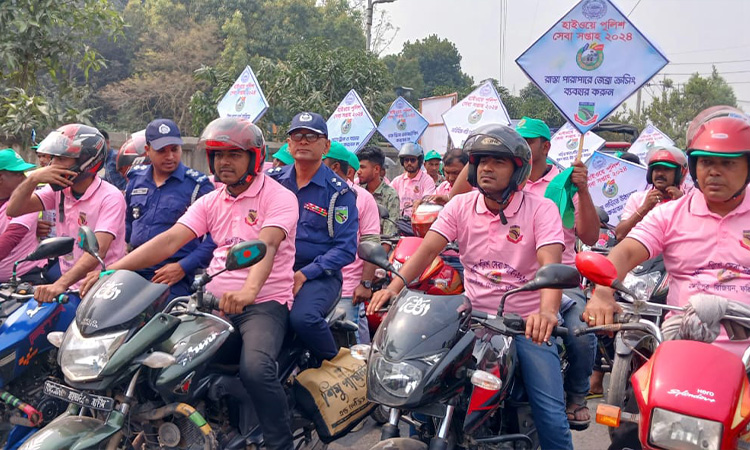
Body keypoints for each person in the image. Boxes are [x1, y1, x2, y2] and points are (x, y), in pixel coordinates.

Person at [81, 117, 298, 450]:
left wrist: (248, 292)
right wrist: (111, 271)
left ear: (254, 158)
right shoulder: (212, 200)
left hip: (262, 303)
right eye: (218, 154)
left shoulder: (279, 197)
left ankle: (279, 443)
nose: (225, 162)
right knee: (155, 361)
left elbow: (266, 245)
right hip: (209, 302)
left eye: (234, 155)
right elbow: (170, 240)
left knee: (256, 369)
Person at [368, 123, 573, 450]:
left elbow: (551, 265)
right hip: (469, 321)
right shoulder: (460, 206)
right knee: (421, 388)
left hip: (522, 325)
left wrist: (546, 314)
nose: (487, 168)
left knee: (549, 413)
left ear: (518, 169)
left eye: (498, 161)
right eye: (482, 161)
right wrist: (394, 287)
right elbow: (427, 250)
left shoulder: (541, 209)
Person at [585, 111, 750, 356]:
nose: (714, 172)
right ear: (694, 167)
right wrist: (602, 293)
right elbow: (627, 251)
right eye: (706, 162)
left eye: (727, 163)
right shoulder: (669, 214)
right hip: (682, 346)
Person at [515, 117, 599, 427]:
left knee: (579, 331)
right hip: (513, 277)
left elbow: (590, 238)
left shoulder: (565, 184)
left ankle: (576, 394)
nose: (520, 147)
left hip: (560, 277)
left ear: (545, 146)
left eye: (528, 141)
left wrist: (584, 190)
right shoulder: (509, 179)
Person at [267, 112, 358, 361]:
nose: (303, 141)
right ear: (288, 143)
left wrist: (305, 273)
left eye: (312, 136)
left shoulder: (338, 193)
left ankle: (337, 368)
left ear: (326, 145)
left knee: (303, 318)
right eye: (297, 135)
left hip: (318, 275)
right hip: (272, 269)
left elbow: (346, 248)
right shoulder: (271, 183)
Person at [7, 124, 126, 302]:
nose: (52, 165)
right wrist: (33, 179)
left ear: (87, 161)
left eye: (62, 159)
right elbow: (14, 209)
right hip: (71, 289)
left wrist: (59, 284)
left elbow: (97, 252)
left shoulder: (110, 197)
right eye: (53, 158)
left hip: (103, 291)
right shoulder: (60, 190)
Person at [125, 119, 216, 299]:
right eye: (161, 151)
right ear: (147, 150)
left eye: (174, 149)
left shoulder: (197, 186)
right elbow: (128, 224)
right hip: (134, 270)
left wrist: (184, 266)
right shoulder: (135, 181)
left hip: (174, 275)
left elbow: (216, 237)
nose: (170, 156)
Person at [323, 142, 380, 344]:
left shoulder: (362, 198)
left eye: (321, 163)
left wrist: (365, 283)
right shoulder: (311, 193)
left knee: (348, 352)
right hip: (310, 286)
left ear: (334, 168)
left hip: (346, 289)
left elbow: (371, 243)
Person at [614, 145, 688, 241]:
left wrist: (682, 204)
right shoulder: (637, 198)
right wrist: (645, 207)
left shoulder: (689, 200)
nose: (660, 173)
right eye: (656, 169)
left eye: (667, 169)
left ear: (678, 174)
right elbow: (620, 235)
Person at [0, 149, 44, 283]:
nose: (25, 178)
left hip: (24, 278)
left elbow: (11, 238)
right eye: (19, 174)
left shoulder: (28, 200)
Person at [357, 146, 400, 238]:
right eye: (358, 167)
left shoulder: (391, 195)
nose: (358, 172)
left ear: (376, 169)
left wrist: (378, 252)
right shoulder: (357, 191)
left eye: (362, 167)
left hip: (378, 247)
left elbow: (389, 236)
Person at [391, 143, 436, 218]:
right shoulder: (397, 180)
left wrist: (421, 202)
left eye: (412, 160)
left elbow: (428, 200)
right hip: (398, 221)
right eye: (406, 160)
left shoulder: (427, 180)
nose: (409, 163)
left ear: (419, 161)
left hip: (418, 221)